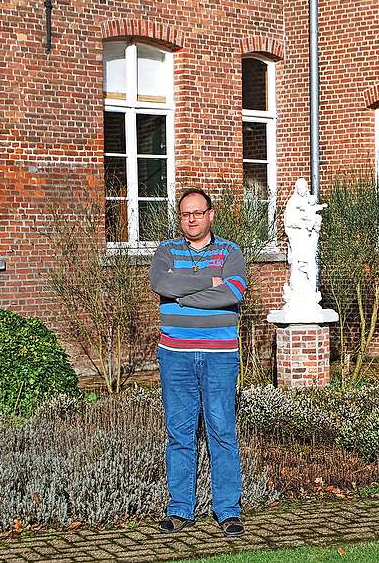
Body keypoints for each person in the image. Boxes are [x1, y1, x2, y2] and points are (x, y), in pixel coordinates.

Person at [149, 188, 248, 538]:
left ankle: (228, 510)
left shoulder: (230, 252)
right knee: (179, 432)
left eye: (197, 212)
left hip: (220, 356)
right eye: (185, 213)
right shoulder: (165, 251)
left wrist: (182, 294)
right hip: (174, 355)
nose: (191, 219)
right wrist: (209, 282)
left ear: (210, 214)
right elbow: (161, 282)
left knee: (222, 431)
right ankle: (180, 509)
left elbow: (234, 292)